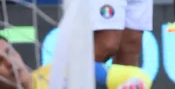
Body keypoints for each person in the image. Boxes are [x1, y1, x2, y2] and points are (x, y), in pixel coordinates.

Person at [0, 36, 151, 89]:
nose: (9, 62)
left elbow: (137, 76)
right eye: (0, 61)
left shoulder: (60, 73)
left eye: (9, 52)